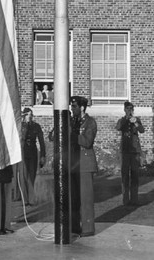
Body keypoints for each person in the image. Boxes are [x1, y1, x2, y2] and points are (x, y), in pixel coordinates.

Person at [70, 95, 98, 237]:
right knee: (74, 198)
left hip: (85, 165)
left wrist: (73, 134)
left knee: (86, 198)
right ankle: (74, 226)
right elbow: (53, 136)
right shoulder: (71, 121)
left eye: (74, 107)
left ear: (81, 107)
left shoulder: (90, 122)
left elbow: (87, 142)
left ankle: (88, 228)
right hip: (73, 164)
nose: (72, 109)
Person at [116, 101, 145, 206]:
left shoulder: (136, 120)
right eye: (128, 109)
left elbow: (142, 130)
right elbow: (119, 128)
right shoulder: (121, 120)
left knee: (135, 175)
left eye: (131, 109)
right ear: (124, 110)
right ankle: (125, 199)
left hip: (135, 151)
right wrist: (126, 119)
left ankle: (134, 199)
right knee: (125, 176)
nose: (130, 111)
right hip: (125, 151)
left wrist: (135, 123)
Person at [20, 107, 46, 205]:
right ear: (24, 116)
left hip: (32, 152)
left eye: (31, 115)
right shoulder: (21, 126)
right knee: (24, 175)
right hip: (23, 152)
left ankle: (30, 198)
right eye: (27, 115)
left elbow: (41, 141)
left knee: (32, 175)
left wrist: (43, 155)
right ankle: (26, 199)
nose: (29, 117)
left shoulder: (36, 126)